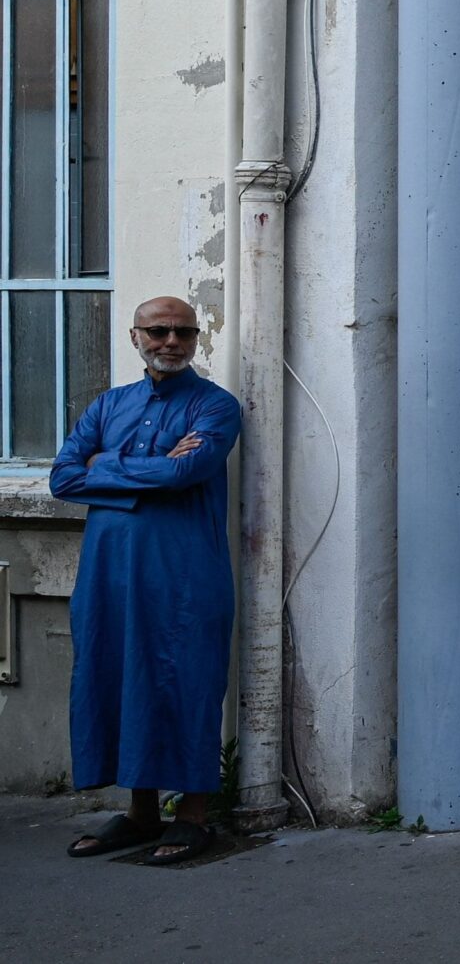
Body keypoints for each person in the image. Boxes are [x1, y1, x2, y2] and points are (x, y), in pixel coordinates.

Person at [48, 296, 243, 865]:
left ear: (196, 338)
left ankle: (192, 816)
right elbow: (63, 477)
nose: (171, 341)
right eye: (158, 331)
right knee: (116, 676)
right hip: (108, 576)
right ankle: (140, 813)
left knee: (184, 679)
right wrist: (146, 471)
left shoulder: (215, 407)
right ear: (136, 336)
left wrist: (102, 466)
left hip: (184, 575)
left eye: (183, 332)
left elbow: (188, 470)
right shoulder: (110, 405)